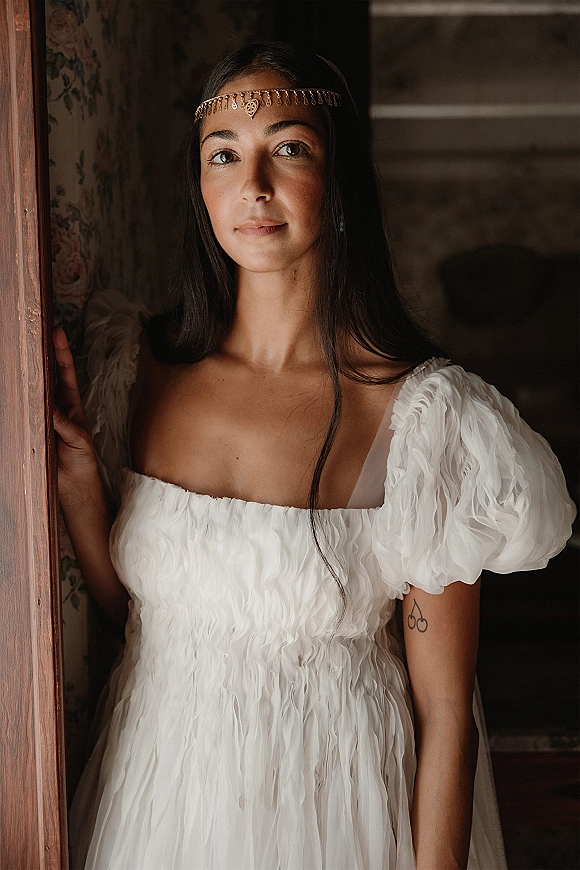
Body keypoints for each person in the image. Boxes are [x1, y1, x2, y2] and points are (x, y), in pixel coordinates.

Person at [53, 42, 576, 870]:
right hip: (156, 801)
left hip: (335, 809)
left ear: (339, 183)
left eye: (287, 148)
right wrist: (84, 487)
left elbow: (444, 713)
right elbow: (157, 623)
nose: (251, 185)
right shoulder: (137, 368)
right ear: (200, 185)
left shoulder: (425, 422)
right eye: (223, 155)